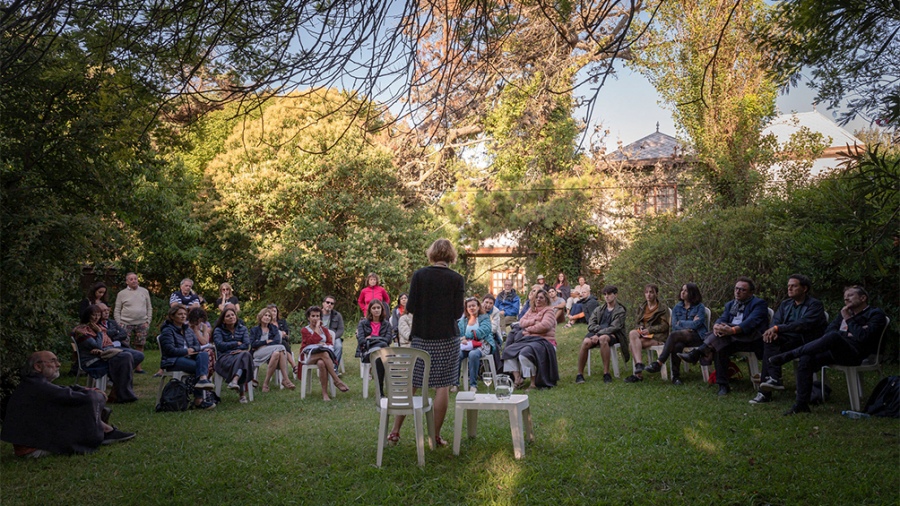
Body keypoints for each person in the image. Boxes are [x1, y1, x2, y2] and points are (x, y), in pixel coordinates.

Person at [388, 238, 465, 447]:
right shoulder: (457, 279)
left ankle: (395, 431)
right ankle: (435, 436)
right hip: (447, 338)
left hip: (421, 335)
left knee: (413, 381)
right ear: (451, 255)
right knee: (442, 385)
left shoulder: (420, 275)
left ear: (431, 253)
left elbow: (410, 306)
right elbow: (458, 312)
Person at [769, 285, 888, 415]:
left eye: (850, 296)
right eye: (845, 297)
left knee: (834, 336)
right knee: (806, 357)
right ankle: (801, 404)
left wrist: (848, 319)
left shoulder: (875, 314)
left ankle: (790, 355)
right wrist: (848, 333)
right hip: (835, 351)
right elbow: (828, 332)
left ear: (863, 297)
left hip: (856, 354)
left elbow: (863, 337)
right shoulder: (842, 314)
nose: (846, 299)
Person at [1, 351, 134, 457]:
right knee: (83, 402)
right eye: (53, 361)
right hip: (33, 448)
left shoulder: (33, 383)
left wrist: (86, 390)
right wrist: (96, 394)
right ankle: (103, 431)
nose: (58, 364)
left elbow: (64, 390)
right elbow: (80, 398)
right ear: (37, 366)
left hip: (31, 443)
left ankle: (104, 430)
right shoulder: (37, 386)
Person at [678, 277, 768, 396]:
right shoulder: (731, 304)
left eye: (743, 290)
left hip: (750, 338)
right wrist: (716, 326)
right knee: (720, 346)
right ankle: (723, 385)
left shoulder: (759, 304)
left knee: (720, 340)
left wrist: (732, 330)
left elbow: (751, 323)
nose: (738, 292)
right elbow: (722, 318)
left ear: (751, 292)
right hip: (729, 338)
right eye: (736, 289)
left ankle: (699, 352)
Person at [750, 274, 827, 404]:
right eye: (788, 286)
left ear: (804, 288)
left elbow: (803, 324)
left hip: (806, 341)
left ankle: (766, 390)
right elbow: (776, 321)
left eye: (794, 286)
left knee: (771, 344)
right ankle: (773, 379)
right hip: (787, 340)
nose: (789, 288)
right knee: (769, 339)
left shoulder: (815, 305)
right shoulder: (786, 304)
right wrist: (773, 331)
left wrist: (778, 329)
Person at [642, 283, 708, 385]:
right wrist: (689, 325)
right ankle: (676, 377)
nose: (682, 292)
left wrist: (681, 323)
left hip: (697, 337)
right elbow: (674, 326)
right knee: (677, 345)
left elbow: (697, 325)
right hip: (681, 338)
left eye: (685, 290)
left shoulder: (699, 307)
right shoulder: (677, 307)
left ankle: (659, 362)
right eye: (682, 290)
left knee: (673, 335)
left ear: (692, 292)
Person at [73, 304, 139, 403]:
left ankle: (119, 393)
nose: (96, 318)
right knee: (126, 357)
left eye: (98, 315)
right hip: (91, 360)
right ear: (87, 315)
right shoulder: (82, 331)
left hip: (102, 355)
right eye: (94, 315)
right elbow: (97, 345)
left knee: (127, 357)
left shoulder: (100, 327)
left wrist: (102, 349)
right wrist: (99, 333)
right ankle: (122, 394)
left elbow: (107, 345)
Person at [158, 304, 217, 409]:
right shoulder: (168, 330)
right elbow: (169, 350)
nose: (183, 316)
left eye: (185, 314)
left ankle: (202, 380)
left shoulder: (187, 330)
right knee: (200, 367)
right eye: (180, 314)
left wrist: (193, 350)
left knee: (203, 354)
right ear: (172, 316)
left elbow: (197, 345)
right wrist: (185, 351)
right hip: (173, 360)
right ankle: (199, 399)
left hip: (189, 357)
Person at [501, 288, 559, 390]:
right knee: (508, 351)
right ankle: (518, 379)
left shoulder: (549, 311)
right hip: (528, 340)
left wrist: (528, 330)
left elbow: (545, 326)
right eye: (536, 297)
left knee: (525, 353)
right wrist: (534, 320)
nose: (538, 299)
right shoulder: (531, 310)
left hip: (545, 341)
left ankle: (533, 383)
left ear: (546, 300)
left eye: (541, 297)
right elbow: (522, 322)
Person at [575, 286, 627, 384]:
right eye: (605, 294)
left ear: (615, 295)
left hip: (614, 335)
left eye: (609, 294)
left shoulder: (620, 310)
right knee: (586, 342)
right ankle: (580, 374)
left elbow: (615, 327)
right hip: (596, 333)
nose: (607, 296)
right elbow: (591, 324)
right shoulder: (599, 309)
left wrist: (598, 334)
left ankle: (606, 373)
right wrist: (597, 331)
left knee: (603, 339)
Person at [300, 305, 350, 400]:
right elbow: (311, 341)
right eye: (313, 316)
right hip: (309, 357)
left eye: (318, 316)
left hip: (322, 357)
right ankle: (336, 380)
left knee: (321, 362)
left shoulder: (325, 330)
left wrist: (322, 344)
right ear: (308, 317)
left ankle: (325, 394)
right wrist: (317, 328)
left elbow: (330, 343)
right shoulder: (305, 330)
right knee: (324, 354)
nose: (315, 318)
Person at [624, 284, 671, 383]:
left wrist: (649, 330)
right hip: (644, 334)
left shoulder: (662, 308)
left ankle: (638, 375)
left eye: (651, 292)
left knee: (631, 345)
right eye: (646, 292)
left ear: (656, 294)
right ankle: (639, 364)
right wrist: (640, 328)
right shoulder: (642, 306)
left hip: (658, 336)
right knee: (632, 333)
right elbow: (637, 322)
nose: (648, 295)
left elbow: (665, 326)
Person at [212, 305, 253, 403]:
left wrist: (238, 350)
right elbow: (219, 345)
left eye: (233, 315)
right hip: (224, 357)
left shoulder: (242, 329)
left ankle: (235, 380)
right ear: (223, 320)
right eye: (228, 316)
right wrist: (236, 343)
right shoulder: (218, 330)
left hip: (239, 355)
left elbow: (246, 344)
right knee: (245, 358)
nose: (231, 317)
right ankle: (242, 395)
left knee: (245, 355)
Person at [249, 308, 295, 392]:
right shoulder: (254, 330)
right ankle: (285, 379)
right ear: (260, 317)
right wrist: (266, 342)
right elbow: (253, 344)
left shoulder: (273, 328)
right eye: (265, 315)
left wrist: (262, 344)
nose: (267, 317)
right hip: (257, 353)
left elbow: (277, 341)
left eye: (269, 316)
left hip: (271, 352)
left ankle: (265, 384)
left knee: (277, 353)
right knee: (281, 347)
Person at [114, 272, 152, 373]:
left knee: (140, 344)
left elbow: (149, 307)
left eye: (135, 278)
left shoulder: (144, 291)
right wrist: (119, 323)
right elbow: (117, 309)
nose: (134, 280)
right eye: (131, 279)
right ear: (127, 282)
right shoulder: (122, 294)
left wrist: (148, 321)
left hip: (142, 323)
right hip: (125, 323)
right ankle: (126, 367)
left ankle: (138, 367)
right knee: (124, 345)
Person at [455, 297, 495, 392]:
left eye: (473, 305)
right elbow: (458, 334)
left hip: (482, 344)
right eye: (469, 306)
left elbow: (484, 330)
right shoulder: (463, 321)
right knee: (457, 354)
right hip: (467, 346)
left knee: (473, 354)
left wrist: (467, 336)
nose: (471, 308)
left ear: (478, 307)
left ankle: (473, 385)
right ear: (466, 308)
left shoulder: (484, 318)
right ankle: (455, 384)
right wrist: (461, 340)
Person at [356, 299, 394, 394]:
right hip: (367, 352)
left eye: (378, 308)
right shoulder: (363, 323)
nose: (376, 310)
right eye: (374, 308)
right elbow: (361, 341)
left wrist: (371, 337)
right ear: (370, 310)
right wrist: (379, 339)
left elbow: (388, 340)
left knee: (380, 357)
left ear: (382, 309)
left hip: (382, 353)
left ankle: (380, 389)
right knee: (382, 346)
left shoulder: (387, 324)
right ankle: (380, 390)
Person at [97, 303, 145, 368]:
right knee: (128, 356)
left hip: (120, 346)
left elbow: (124, 334)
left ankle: (121, 371)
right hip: (109, 349)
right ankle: (120, 372)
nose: (106, 312)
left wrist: (112, 337)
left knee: (139, 355)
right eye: (103, 311)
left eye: (107, 310)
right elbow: (104, 335)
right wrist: (116, 332)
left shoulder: (112, 322)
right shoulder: (96, 325)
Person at [320, 295, 346, 373]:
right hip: (319, 337)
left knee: (339, 346)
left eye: (332, 303)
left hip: (334, 337)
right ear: (323, 303)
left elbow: (341, 329)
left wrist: (333, 337)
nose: (329, 304)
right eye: (327, 302)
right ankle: (323, 366)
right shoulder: (317, 314)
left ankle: (334, 369)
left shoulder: (337, 315)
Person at [188, 307, 215, 372]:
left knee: (210, 351)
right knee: (208, 352)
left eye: (200, 321)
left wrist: (204, 331)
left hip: (202, 350)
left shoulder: (203, 327)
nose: (199, 324)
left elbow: (205, 342)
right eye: (197, 322)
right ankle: (204, 376)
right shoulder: (187, 328)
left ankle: (205, 376)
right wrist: (196, 331)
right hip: (192, 352)